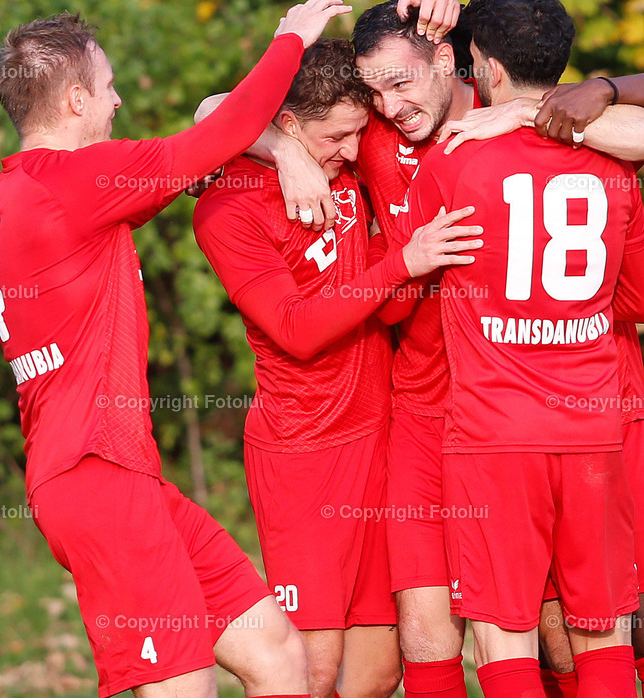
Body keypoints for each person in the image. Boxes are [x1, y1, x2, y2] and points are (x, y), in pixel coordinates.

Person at [0, 0, 351, 698]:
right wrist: (291, 40)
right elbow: (223, 130)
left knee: (277, 654)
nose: (118, 100)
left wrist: (280, 154)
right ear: (76, 98)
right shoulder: (70, 183)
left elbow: (197, 159)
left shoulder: (10, 195)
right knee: (182, 687)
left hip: (119, 476)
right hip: (96, 473)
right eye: (109, 85)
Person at [191, 37, 483, 698]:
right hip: (305, 454)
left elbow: (440, 82)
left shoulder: (341, 165)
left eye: (358, 134)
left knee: (380, 671)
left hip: (384, 441)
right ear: (288, 124)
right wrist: (399, 263)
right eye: (335, 138)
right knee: (310, 671)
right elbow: (295, 331)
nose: (353, 152)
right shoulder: (227, 207)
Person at [406, 0, 644, 698]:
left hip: (492, 433)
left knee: (503, 630)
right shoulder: (614, 163)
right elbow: (641, 301)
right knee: (601, 629)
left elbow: (408, 296)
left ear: (482, 66)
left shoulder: (450, 160)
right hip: (592, 428)